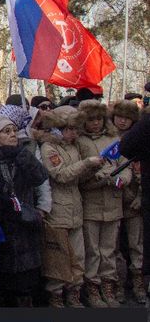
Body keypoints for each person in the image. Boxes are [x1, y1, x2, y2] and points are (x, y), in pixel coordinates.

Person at [36, 105, 102, 308]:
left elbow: (78, 177)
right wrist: (86, 164)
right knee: (59, 257)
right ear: (59, 128)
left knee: (78, 255)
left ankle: (74, 292)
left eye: (75, 129)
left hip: (76, 208)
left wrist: (93, 171)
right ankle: (56, 294)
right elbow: (61, 175)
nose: (74, 133)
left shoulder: (73, 147)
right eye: (70, 129)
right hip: (58, 210)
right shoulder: (49, 148)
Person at [0, 115, 48, 307]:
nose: (12, 135)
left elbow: (40, 177)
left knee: (30, 281)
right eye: (6, 131)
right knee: (8, 282)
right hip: (3, 225)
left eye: (13, 130)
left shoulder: (23, 154)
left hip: (26, 223)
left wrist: (22, 154)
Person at [77, 99, 131, 308]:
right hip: (91, 203)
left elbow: (124, 164)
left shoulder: (113, 138)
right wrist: (96, 174)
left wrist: (123, 179)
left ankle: (109, 285)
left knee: (109, 250)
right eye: (91, 119)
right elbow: (78, 171)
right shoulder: (80, 142)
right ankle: (93, 288)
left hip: (113, 203)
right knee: (93, 251)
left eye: (99, 118)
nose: (96, 123)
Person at [111, 100, 145, 303]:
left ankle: (139, 283)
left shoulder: (139, 139)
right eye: (119, 117)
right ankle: (117, 284)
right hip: (112, 200)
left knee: (136, 245)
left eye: (127, 118)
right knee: (112, 248)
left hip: (133, 201)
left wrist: (140, 195)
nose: (122, 121)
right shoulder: (108, 139)